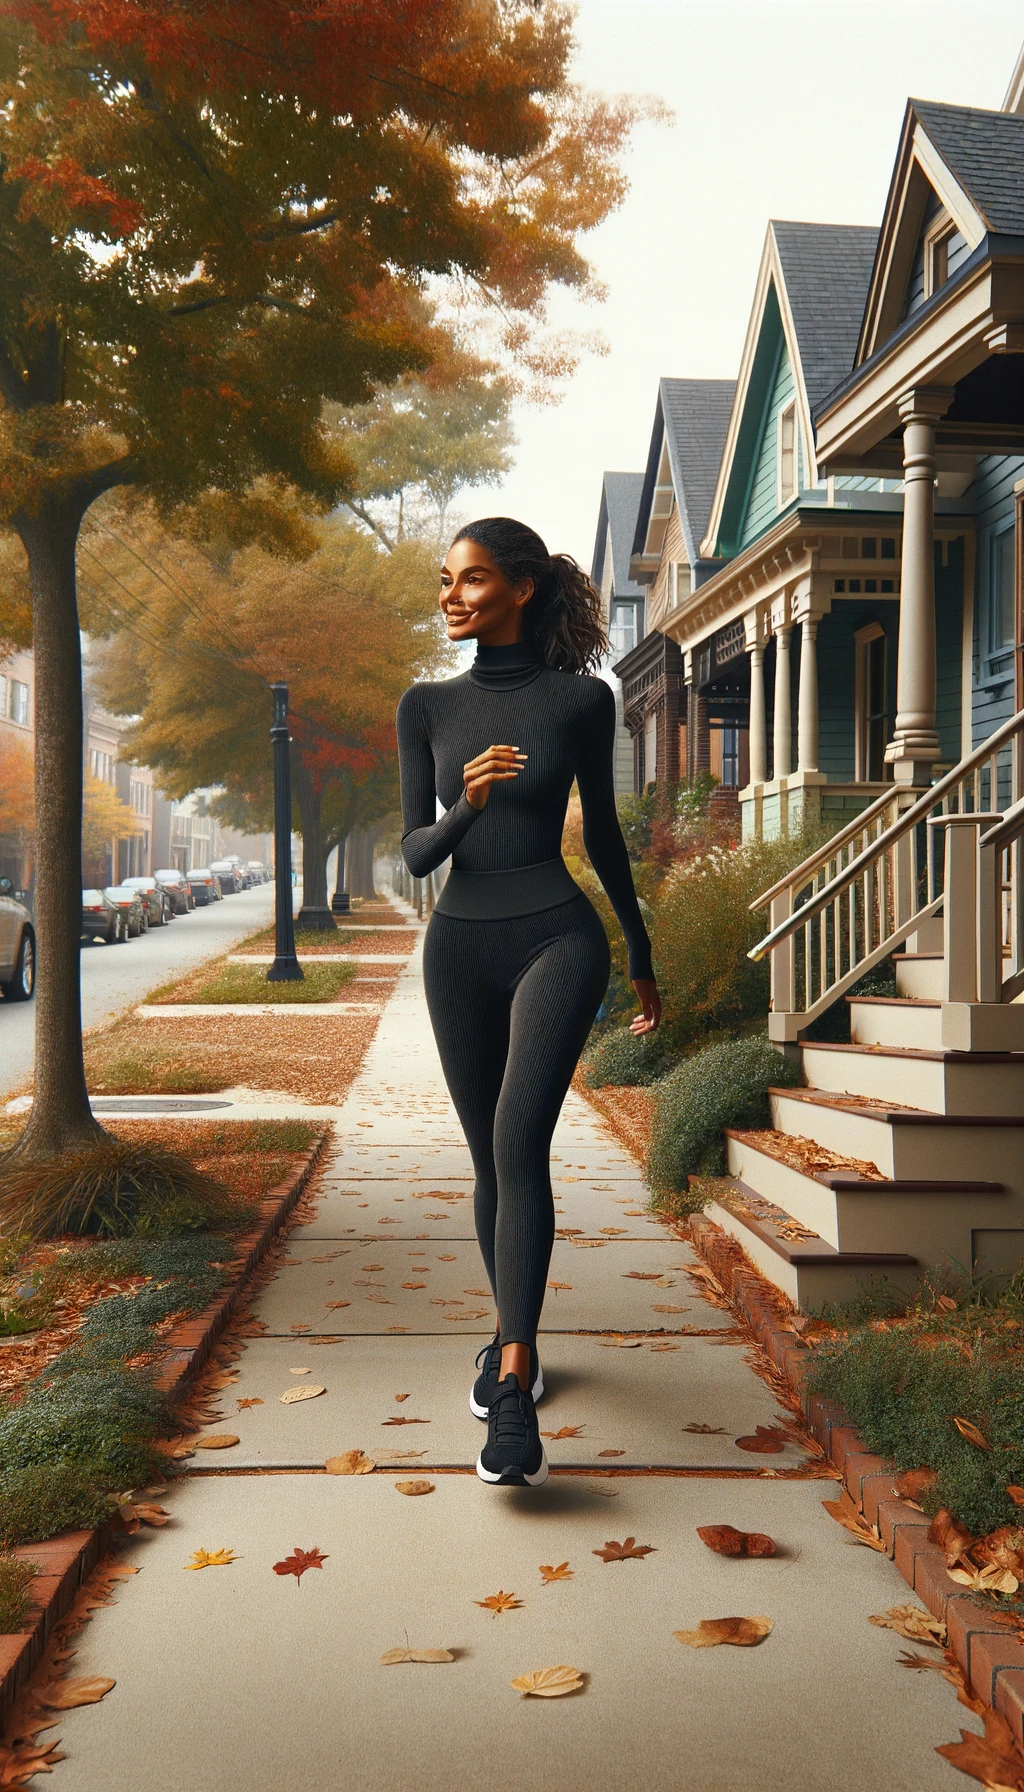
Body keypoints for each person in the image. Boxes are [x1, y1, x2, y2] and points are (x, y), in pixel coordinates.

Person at [397, 517, 660, 1488]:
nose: (451, 595)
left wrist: (639, 952)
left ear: (519, 587)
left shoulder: (580, 701)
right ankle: (517, 1333)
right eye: (444, 581)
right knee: (487, 1161)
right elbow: (415, 855)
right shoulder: (424, 706)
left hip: (558, 932)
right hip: (458, 944)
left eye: (469, 579)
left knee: (518, 1144)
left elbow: (607, 839)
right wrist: (463, 800)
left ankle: (511, 1386)